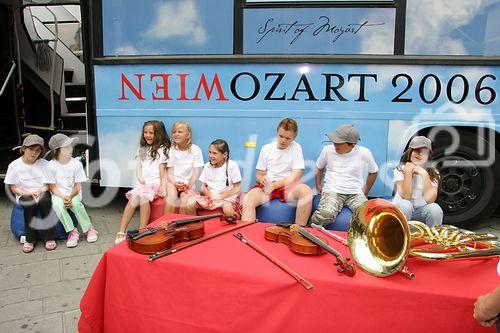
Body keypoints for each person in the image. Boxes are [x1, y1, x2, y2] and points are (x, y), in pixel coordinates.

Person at [241, 118, 313, 226]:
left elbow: (296, 175)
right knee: (248, 199)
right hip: (268, 186)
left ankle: (298, 231)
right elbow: (259, 175)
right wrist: (262, 179)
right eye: (281, 136)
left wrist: (274, 186)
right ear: (277, 133)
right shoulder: (266, 148)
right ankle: (246, 232)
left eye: (288, 138)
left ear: (294, 138)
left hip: (288, 186)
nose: (283, 140)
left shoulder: (296, 148)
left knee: (306, 192)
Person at [309, 124, 378, 227]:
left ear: (352, 144)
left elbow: (373, 171)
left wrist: (365, 191)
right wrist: (318, 185)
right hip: (333, 190)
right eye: (334, 141)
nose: (335, 144)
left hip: (355, 193)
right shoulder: (327, 150)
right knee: (326, 214)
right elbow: (319, 167)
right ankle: (308, 231)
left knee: (368, 217)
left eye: (339, 143)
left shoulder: (364, 153)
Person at [115, 120, 170, 244]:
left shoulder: (162, 149)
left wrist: (163, 186)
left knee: (144, 198)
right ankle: (121, 231)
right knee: (133, 199)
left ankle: (142, 230)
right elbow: (139, 165)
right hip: (144, 183)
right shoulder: (142, 149)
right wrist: (140, 178)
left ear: (159, 134)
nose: (148, 135)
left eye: (152, 133)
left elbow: (163, 170)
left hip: (155, 183)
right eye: (146, 132)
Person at [5, 134, 57, 253]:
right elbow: (14, 188)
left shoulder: (44, 164)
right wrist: (29, 192)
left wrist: (39, 191)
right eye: (31, 149)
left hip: (42, 191)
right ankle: (30, 239)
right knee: (29, 203)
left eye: (38, 150)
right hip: (24, 193)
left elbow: (48, 184)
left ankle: (49, 237)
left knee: (45, 202)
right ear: (24, 149)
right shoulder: (14, 166)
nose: (34, 153)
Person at [47, 133, 98, 248]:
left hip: (73, 193)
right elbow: (52, 187)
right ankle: (72, 231)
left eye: (70, 146)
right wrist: (63, 197)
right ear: (57, 151)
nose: (70, 149)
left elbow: (77, 186)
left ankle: (89, 228)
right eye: (66, 147)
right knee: (57, 205)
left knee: (76, 203)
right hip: (58, 194)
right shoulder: (50, 166)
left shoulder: (76, 163)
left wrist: (69, 197)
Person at [392, 136, 443, 227]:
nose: (419, 154)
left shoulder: (433, 173)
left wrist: (424, 174)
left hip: (420, 212)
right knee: (405, 205)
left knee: (435, 208)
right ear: (410, 152)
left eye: (424, 152)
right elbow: (406, 197)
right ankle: (403, 237)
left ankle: (433, 239)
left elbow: (430, 200)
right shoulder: (400, 170)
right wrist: (408, 173)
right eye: (416, 150)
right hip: (401, 211)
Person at [186, 139, 242, 220]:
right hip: (211, 197)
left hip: (226, 199)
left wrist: (221, 196)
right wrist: (211, 196)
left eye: (214, 153)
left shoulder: (232, 165)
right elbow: (203, 187)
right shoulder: (207, 166)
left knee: (228, 210)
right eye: (210, 152)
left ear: (224, 154)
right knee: (190, 203)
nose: (211, 155)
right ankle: (195, 226)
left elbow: (237, 187)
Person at [164, 120, 204, 214]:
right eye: (174, 132)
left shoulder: (195, 150)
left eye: (180, 132)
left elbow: (196, 171)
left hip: (188, 182)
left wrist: (189, 184)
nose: (176, 134)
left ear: (188, 135)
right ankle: (165, 221)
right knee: (171, 196)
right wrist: (174, 182)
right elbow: (169, 170)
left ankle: (181, 224)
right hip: (173, 180)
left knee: (184, 198)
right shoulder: (171, 150)